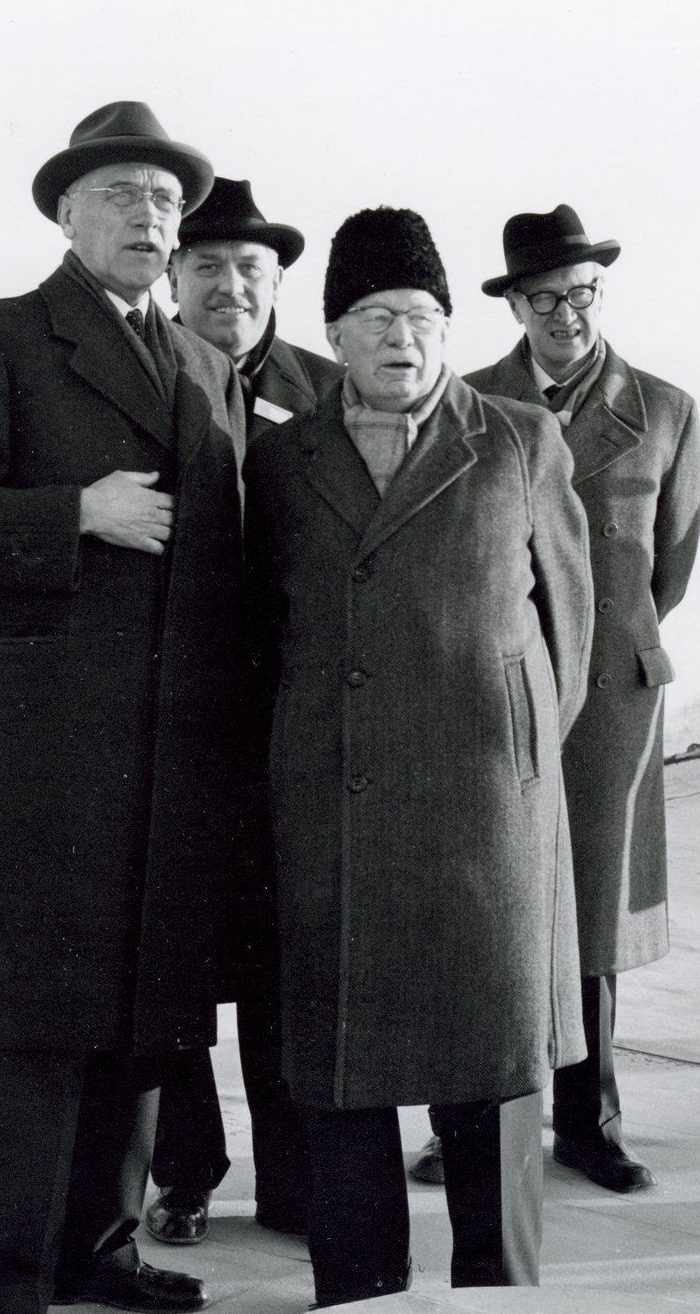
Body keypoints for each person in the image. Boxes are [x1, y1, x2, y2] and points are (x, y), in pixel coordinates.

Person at [0, 101, 253, 1314]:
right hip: (49, 753)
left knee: (142, 1020)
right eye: (117, 196)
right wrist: (70, 514)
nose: (147, 218)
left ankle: (95, 1249)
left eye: (163, 201)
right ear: (63, 214)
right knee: (38, 1029)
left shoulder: (207, 365)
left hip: (174, 753)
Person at [243, 207, 593, 1306]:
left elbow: (569, 628)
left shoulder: (519, 437)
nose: (404, 338)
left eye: (425, 319)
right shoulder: (282, 457)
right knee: (346, 1073)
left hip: (485, 806)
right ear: (334, 335)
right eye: (378, 317)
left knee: (495, 1071)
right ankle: (359, 1287)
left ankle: (502, 1286)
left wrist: (510, 747)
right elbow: (264, 629)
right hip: (333, 800)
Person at [448, 203, 700, 1193]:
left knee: (589, 918)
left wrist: (606, 641)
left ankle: (588, 1123)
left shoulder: (667, 408)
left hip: (609, 695)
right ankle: (483, 1126)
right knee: (495, 907)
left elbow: (667, 566)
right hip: (501, 685)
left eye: (580, 292)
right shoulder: (466, 401)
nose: (565, 314)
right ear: (513, 304)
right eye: (542, 297)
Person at [145, 176, 337, 1246]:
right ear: (175, 275)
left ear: (278, 283)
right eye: (208, 266)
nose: (230, 286)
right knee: (171, 965)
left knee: (283, 965)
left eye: (251, 269)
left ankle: (296, 1181)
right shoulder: (145, 374)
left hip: (290, 730)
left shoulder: (320, 389)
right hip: (170, 727)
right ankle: (184, 1172)